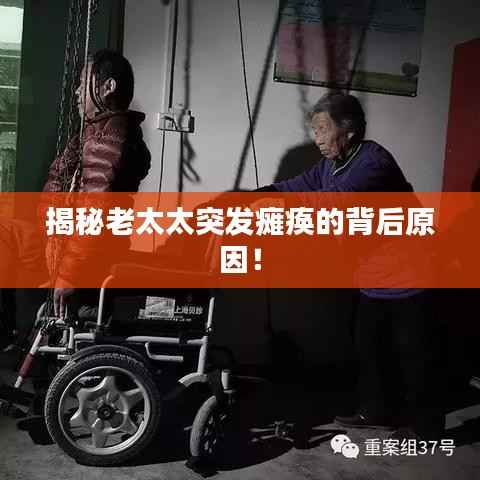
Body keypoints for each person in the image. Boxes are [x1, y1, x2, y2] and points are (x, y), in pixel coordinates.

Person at [255, 92, 443, 440]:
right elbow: (300, 185)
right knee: (369, 350)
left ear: (350, 129)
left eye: (323, 129)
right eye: (314, 130)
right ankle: (376, 411)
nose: (317, 138)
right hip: (374, 278)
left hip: (412, 276)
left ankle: (426, 429)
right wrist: (260, 193)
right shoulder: (329, 164)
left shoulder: (375, 163)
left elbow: (338, 200)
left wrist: (277, 205)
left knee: (414, 357)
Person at [0, 49, 151, 349]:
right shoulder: (100, 132)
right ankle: (8, 335)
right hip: (59, 239)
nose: (78, 92)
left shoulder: (108, 137)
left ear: (108, 87)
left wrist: (70, 274)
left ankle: (5, 335)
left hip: (71, 253)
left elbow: (96, 211)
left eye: (84, 83)